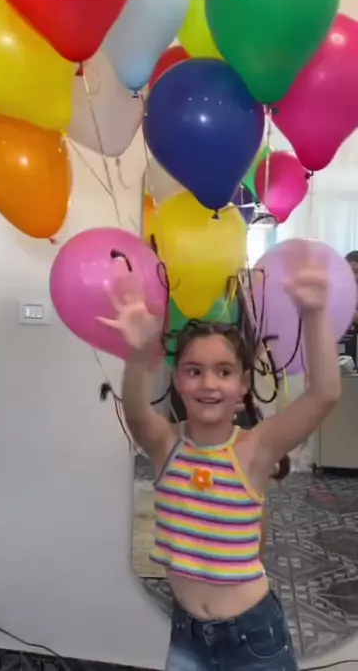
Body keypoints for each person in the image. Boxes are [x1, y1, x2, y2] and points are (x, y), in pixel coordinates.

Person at [100, 243, 340, 671]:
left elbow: (324, 394)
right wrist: (139, 353)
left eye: (224, 372)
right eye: (194, 371)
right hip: (187, 635)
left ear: (243, 384)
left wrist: (315, 314)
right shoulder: (166, 445)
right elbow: (136, 411)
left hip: (254, 638)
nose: (208, 383)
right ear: (178, 379)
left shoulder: (256, 449)